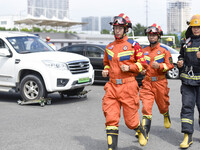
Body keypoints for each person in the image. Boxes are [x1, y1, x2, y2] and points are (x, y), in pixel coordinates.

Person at [102, 13, 148, 149]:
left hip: (128, 86)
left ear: (126, 29)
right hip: (112, 87)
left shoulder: (134, 45)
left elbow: (143, 64)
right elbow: (106, 63)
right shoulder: (109, 47)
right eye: (115, 28)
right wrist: (106, 70)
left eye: (120, 28)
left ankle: (140, 130)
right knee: (110, 118)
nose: (117, 31)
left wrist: (130, 67)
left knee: (130, 122)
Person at [136, 24, 174, 140]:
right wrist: (141, 70)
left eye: (154, 35)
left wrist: (160, 66)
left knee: (162, 105)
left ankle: (166, 114)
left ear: (158, 36)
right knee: (146, 107)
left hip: (160, 82)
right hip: (147, 83)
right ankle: (145, 133)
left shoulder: (164, 51)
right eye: (150, 35)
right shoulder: (143, 51)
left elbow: (170, 65)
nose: (151, 37)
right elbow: (141, 65)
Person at [177, 14, 200, 149]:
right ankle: (187, 136)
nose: (196, 29)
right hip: (187, 81)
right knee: (187, 108)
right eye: (194, 27)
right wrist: (180, 62)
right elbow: (181, 55)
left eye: (198, 27)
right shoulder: (186, 41)